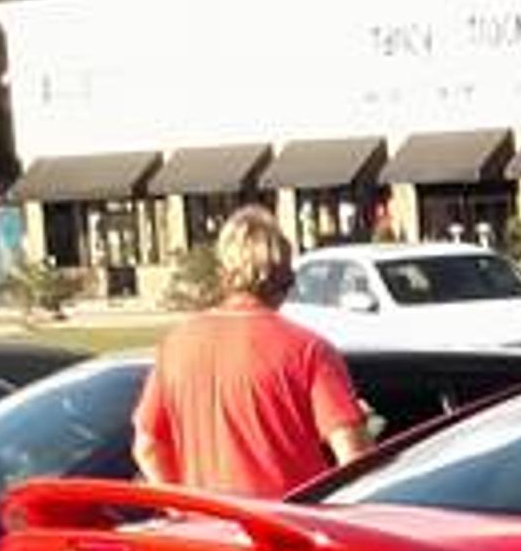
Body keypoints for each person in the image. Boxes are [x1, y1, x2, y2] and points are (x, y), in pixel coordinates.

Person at [131, 205, 373, 498]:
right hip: (290, 532)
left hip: (205, 534)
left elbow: (148, 448)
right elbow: (356, 460)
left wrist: (182, 510)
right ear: (284, 276)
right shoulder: (309, 350)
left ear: (223, 271)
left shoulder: (176, 345)